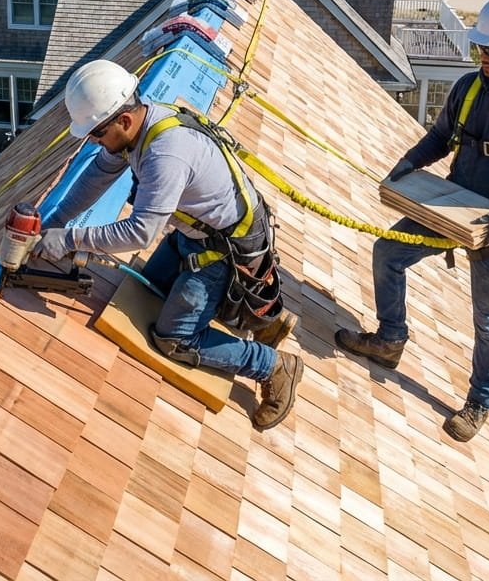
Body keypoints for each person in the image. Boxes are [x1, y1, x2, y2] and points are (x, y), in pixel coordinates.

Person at [336, 0, 489, 442]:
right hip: (449, 208)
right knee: (387, 253)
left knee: (488, 321)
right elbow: (441, 137)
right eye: (480, 48)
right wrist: (407, 166)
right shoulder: (469, 88)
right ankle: (389, 340)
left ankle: (479, 402)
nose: (483, 56)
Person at [35, 59, 302, 431]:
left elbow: (139, 233)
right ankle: (264, 320)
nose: (94, 142)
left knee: (173, 338)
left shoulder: (165, 154)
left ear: (123, 121)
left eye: (96, 134)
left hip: (221, 254)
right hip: (194, 237)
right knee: (153, 291)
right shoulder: (140, 123)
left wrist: (69, 239)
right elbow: (96, 177)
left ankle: (272, 364)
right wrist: (52, 223)